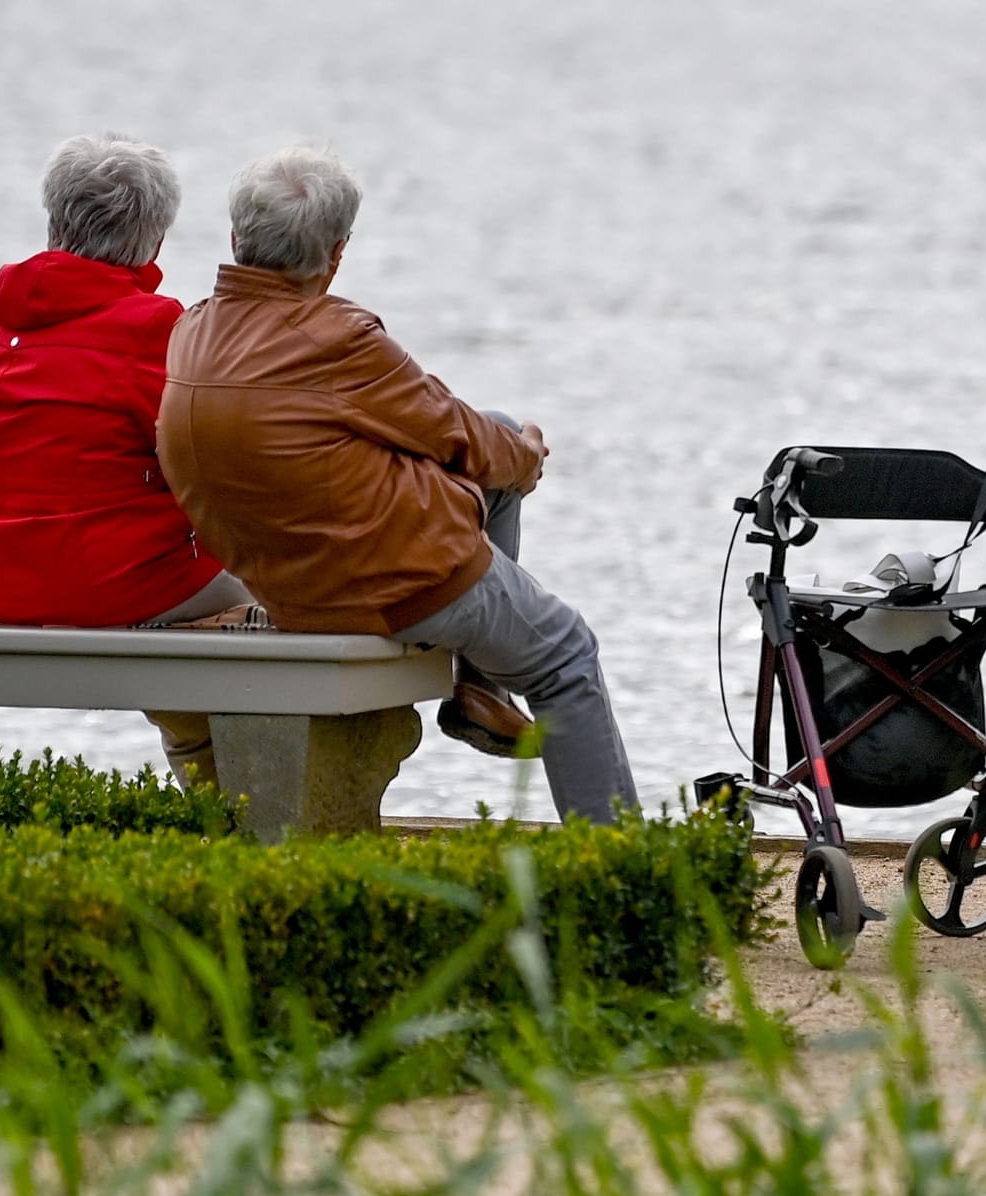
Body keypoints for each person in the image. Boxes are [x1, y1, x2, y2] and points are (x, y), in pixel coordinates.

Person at [155, 144, 637, 824]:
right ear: (336, 254)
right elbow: (453, 431)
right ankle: (619, 864)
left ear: (236, 240)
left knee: (490, 440)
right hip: (396, 587)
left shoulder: (191, 332)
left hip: (286, 582)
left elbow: (449, 429)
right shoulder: (336, 337)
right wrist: (527, 458)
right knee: (566, 656)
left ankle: (474, 687)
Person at [0, 133, 250, 787]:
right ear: (154, 239)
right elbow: (220, 459)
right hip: (105, 583)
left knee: (195, 654)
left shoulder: (9, 321)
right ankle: (258, 834)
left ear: (57, 219)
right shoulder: (154, 324)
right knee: (285, 613)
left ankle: (215, 805)